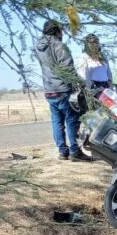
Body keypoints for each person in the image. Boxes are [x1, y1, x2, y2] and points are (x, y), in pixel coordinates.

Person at [34, 20, 92, 162]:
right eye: (61, 31)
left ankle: (62, 152)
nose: (63, 34)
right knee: (72, 120)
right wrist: (78, 84)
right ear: (57, 31)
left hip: (49, 89)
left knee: (56, 121)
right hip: (62, 89)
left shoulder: (38, 46)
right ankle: (75, 151)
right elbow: (67, 68)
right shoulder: (59, 46)